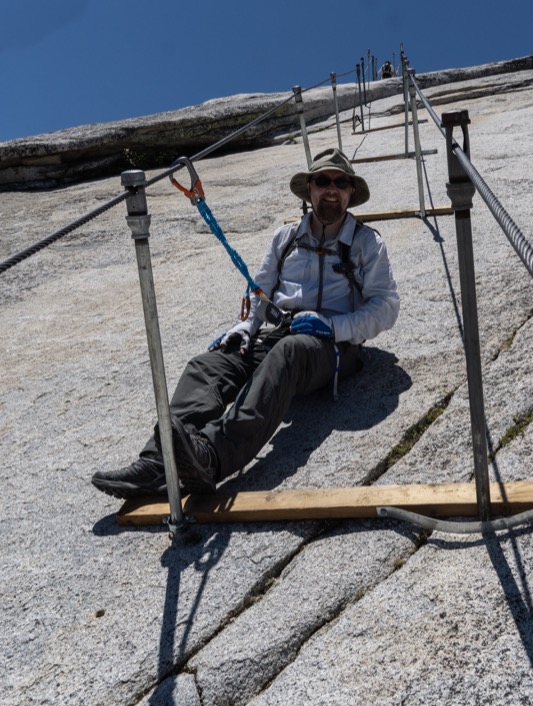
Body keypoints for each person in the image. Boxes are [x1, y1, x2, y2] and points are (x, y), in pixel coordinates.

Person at [92, 148, 400, 499]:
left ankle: (211, 456)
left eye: (340, 182)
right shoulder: (285, 238)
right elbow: (260, 290)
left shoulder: (366, 243)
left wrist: (334, 327)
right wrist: (246, 328)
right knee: (209, 365)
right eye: (323, 181)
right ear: (309, 189)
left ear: (350, 192)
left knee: (289, 353)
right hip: (279, 334)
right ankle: (157, 461)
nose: (332, 189)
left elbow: (386, 306)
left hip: (332, 347)